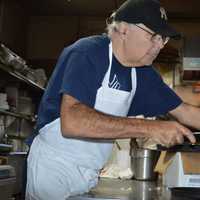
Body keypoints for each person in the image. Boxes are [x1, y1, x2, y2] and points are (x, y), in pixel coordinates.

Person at [26, 0, 200, 199]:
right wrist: (151, 127)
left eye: (164, 39)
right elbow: (72, 121)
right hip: (53, 170)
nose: (160, 45)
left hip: (88, 175)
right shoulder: (88, 52)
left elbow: (186, 112)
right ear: (124, 29)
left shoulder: (142, 73)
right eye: (154, 36)